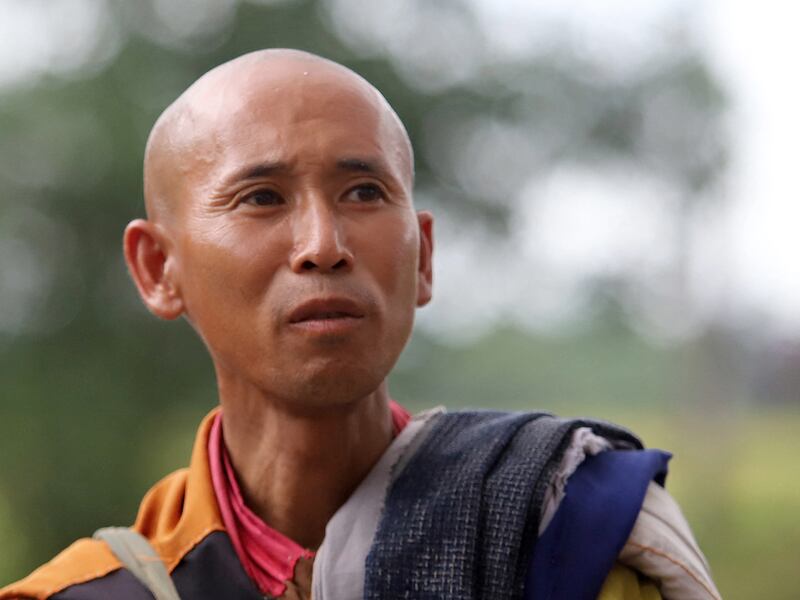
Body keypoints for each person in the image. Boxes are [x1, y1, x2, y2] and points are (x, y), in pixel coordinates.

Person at [0, 49, 720, 600]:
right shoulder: (94, 592)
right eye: (260, 197)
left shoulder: (566, 534)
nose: (323, 243)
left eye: (364, 192)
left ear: (424, 258)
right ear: (159, 268)